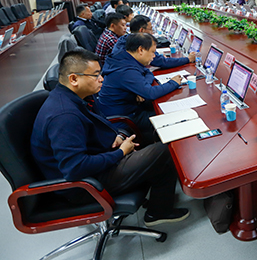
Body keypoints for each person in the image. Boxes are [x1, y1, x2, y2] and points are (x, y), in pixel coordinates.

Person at [30, 50, 189, 226]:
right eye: (95, 75)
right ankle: (159, 212)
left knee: (155, 144)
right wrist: (120, 153)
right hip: (85, 185)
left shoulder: (80, 97)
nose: (102, 79)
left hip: (97, 159)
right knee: (165, 150)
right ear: (74, 79)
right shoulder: (64, 116)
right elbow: (75, 168)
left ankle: (158, 200)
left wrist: (117, 136)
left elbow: (101, 122)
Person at [97, 33, 183, 145]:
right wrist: (173, 83)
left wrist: (140, 88)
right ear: (141, 50)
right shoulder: (126, 70)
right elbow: (151, 93)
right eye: (152, 52)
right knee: (169, 117)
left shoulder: (123, 58)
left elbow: (147, 72)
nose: (154, 56)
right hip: (124, 118)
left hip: (127, 108)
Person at [112, 15, 196, 68]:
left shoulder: (123, 39)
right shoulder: (139, 44)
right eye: (150, 29)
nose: (152, 33)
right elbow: (162, 62)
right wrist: (188, 59)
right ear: (142, 30)